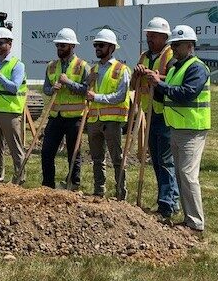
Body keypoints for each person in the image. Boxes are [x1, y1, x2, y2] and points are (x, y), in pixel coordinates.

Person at [145, 25, 210, 233]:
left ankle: (196, 223)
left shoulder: (197, 68)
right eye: (172, 45)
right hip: (176, 127)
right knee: (181, 175)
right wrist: (153, 85)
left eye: (177, 45)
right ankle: (188, 218)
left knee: (188, 175)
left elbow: (186, 93)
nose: (172, 48)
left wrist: (160, 84)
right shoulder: (175, 68)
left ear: (189, 45)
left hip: (192, 129)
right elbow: (166, 96)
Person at [132, 17, 180, 218]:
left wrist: (155, 76)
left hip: (164, 113)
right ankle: (167, 198)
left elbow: (174, 80)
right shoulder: (144, 55)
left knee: (166, 160)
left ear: (163, 37)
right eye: (148, 35)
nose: (149, 38)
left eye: (152, 35)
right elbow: (133, 84)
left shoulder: (171, 55)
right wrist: (137, 73)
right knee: (157, 160)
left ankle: (167, 204)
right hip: (148, 112)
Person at [41, 27, 89, 190]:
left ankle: (73, 184)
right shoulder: (51, 66)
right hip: (55, 116)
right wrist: (51, 89)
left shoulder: (82, 66)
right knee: (47, 151)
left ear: (72, 46)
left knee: (73, 154)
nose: (59, 48)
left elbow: (86, 90)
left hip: (75, 117)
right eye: (58, 46)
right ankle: (48, 184)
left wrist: (69, 82)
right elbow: (45, 89)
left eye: (63, 46)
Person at [86, 28, 131, 199]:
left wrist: (96, 96)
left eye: (101, 45)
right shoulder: (94, 69)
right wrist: (87, 85)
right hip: (94, 119)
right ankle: (99, 190)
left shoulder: (121, 69)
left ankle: (121, 194)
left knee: (117, 159)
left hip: (112, 120)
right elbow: (87, 93)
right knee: (97, 158)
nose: (97, 48)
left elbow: (121, 95)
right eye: (96, 45)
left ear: (111, 48)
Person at [0, 27, 27, 184]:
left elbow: (14, 87)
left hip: (10, 112)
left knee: (15, 147)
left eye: (0, 43)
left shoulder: (17, 65)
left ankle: (19, 177)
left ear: (9, 44)